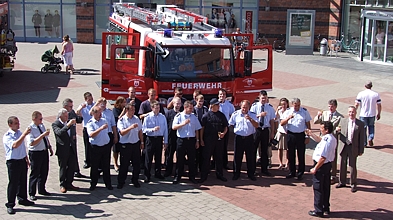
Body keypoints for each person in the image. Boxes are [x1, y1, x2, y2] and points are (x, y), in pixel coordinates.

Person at [3, 116, 35, 215]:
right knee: (13, 183)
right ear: (10, 125)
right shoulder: (7, 136)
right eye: (16, 123)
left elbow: (22, 147)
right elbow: (15, 145)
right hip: (13, 162)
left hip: (21, 160)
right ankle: (10, 204)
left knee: (22, 180)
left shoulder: (19, 133)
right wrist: (25, 134)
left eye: (18, 123)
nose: (18, 125)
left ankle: (22, 198)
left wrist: (26, 158)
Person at [306, 121, 337, 218]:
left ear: (326, 130)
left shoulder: (327, 141)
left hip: (321, 166)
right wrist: (311, 134)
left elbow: (323, 158)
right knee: (326, 187)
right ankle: (325, 207)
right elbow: (320, 139)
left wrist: (315, 168)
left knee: (318, 188)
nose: (320, 129)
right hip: (327, 165)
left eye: (322, 128)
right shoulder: (331, 138)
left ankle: (318, 210)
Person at [313, 99, 344, 184]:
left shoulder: (339, 117)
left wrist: (339, 129)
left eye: (332, 106)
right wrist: (318, 115)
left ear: (336, 107)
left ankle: (333, 175)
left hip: (332, 139)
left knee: (331, 156)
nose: (330, 108)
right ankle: (321, 169)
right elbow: (316, 121)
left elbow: (342, 127)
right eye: (329, 106)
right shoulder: (325, 113)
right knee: (321, 154)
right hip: (322, 138)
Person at [280, 98, 311, 180]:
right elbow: (282, 123)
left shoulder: (304, 111)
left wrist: (308, 136)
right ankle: (292, 171)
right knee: (291, 154)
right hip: (291, 134)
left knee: (301, 154)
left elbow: (308, 124)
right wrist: (288, 118)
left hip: (301, 135)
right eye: (295, 105)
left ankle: (300, 172)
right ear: (292, 104)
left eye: (298, 105)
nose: (297, 107)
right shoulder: (288, 111)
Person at [336, 106, 365, 193]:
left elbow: (362, 138)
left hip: (353, 147)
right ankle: (342, 182)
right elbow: (337, 132)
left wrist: (361, 150)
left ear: (355, 113)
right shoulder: (343, 121)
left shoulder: (360, 124)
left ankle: (353, 183)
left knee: (352, 166)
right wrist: (337, 131)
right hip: (344, 146)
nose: (351, 114)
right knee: (342, 165)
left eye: (352, 112)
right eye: (349, 112)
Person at [172, 101, 202, 184]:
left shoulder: (193, 117)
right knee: (180, 159)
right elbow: (174, 127)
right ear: (185, 107)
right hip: (181, 140)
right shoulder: (179, 116)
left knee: (192, 159)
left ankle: (192, 176)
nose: (192, 110)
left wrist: (197, 140)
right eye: (190, 108)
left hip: (191, 140)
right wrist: (183, 124)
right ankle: (177, 177)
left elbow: (197, 129)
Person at [229, 100, 259, 181]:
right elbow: (231, 124)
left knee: (250, 157)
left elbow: (256, 125)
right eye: (243, 107)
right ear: (240, 106)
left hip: (249, 138)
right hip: (239, 138)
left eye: (246, 107)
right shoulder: (236, 114)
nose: (244, 109)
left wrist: (250, 119)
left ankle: (251, 174)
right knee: (237, 157)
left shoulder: (252, 115)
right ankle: (236, 173)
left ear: (249, 107)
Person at [200, 98, 228, 183]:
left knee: (219, 158)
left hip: (219, 140)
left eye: (218, 105)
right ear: (211, 106)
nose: (218, 106)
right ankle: (204, 176)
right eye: (216, 105)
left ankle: (220, 174)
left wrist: (224, 133)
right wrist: (201, 139)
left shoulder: (221, 115)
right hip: (208, 140)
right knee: (206, 158)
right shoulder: (206, 116)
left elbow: (225, 126)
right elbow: (202, 128)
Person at [27, 111, 53, 201]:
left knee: (44, 171)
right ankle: (32, 192)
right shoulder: (30, 128)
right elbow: (32, 143)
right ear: (34, 119)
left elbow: (45, 138)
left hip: (43, 151)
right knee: (35, 173)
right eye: (40, 119)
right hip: (35, 153)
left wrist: (49, 146)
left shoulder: (41, 126)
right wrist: (42, 135)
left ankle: (42, 189)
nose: (42, 120)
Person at [117, 102, 144, 188]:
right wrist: (130, 127)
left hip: (135, 144)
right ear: (127, 110)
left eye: (134, 110)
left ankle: (135, 180)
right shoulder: (121, 120)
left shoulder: (136, 118)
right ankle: (121, 181)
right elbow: (122, 132)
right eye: (132, 110)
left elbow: (140, 130)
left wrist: (142, 142)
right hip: (125, 145)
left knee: (136, 164)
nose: (133, 111)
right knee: (124, 165)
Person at [52, 109, 79, 193]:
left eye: (67, 115)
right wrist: (68, 125)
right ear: (60, 116)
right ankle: (62, 184)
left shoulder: (69, 122)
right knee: (63, 167)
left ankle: (69, 183)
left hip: (71, 148)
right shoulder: (56, 124)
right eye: (65, 116)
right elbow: (59, 133)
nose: (67, 117)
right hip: (63, 149)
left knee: (71, 166)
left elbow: (72, 132)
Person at [86, 107, 112, 191]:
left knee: (106, 166)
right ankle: (93, 183)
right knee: (95, 166)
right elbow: (91, 135)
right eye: (98, 113)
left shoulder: (104, 120)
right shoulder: (90, 123)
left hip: (105, 146)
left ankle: (108, 183)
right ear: (94, 113)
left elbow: (108, 131)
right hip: (95, 148)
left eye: (101, 112)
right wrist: (100, 129)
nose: (100, 114)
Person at [250, 90, 276, 176]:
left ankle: (264, 169)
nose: (263, 100)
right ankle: (252, 169)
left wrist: (272, 132)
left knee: (264, 149)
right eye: (262, 98)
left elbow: (272, 121)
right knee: (253, 148)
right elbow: (251, 118)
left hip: (265, 129)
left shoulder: (270, 108)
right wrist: (259, 115)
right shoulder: (254, 106)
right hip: (256, 129)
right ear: (259, 97)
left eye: (265, 98)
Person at [142, 101, 168, 182]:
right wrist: (152, 129)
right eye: (156, 108)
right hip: (150, 139)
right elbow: (144, 129)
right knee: (148, 158)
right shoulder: (148, 117)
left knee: (158, 157)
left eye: (159, 108)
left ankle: (158, 173)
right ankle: (147, 175)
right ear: (152, 108)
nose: (157, 109)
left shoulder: (162, 117)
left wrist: (165, 141)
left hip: (159, 139)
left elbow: (165, 130)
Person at [63, 98, 85, 178]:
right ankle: (68, 174)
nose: (72, 108)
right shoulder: (62, 114)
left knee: (74, 154)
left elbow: (79, 120)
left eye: (72, 106)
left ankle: (76, 171)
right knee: (67, 157)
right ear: (65, 106)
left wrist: (79, 112)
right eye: (70, 106)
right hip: (66, 140)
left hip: (73, 138)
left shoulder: (72, 112)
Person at [355, 81, 382, 147]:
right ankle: (370, 137)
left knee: (363, 128)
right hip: (372, 114)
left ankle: (364, 143)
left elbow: (356, 104)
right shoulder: (376, 94)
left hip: (363, 114)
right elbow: (379, 105)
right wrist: (378, 113)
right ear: (371, 86)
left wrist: (354, 112)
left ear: (365, 86)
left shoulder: (361, 94)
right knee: (371, 126)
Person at [164, 97, 182, 177]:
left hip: (179, 137)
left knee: (179, 155)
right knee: (169, 155)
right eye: (176, 103)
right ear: (173, 104)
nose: (178, 105)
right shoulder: (168, 113)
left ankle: (178, 172)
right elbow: (165, 126)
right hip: (170, 137)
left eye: (179, 103)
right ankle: (168, 171)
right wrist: (165, 139)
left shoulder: (182, 114)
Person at [76, 92, 94, 169]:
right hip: (86, 128)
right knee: (87, 145)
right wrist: (81, 108)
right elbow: (77, 112)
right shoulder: (83, 105)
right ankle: (87, 161)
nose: (91, 100)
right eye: (89, 99)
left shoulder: (94, 104)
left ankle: (94, 160)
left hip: (94, 127)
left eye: (91, 98)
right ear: (86, 100)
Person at [218, 89, 235, 170]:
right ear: (218, 95)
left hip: (225, 127)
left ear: (225, 96)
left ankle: (225, 163)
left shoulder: (229, 105)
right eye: (220, 94)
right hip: (217, 128)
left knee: (224, 146)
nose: (222, 96)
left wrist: (230, 124)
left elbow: (233, 115)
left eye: (223, 94)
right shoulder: (215, 104)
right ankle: (215, 163)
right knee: (216, 146)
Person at [193, 94, 208, 174]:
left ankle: (202, 168)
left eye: (202, 101)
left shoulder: (205, 109)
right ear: (196, 100)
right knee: (195, 152)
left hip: (203, 131)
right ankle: (195, 169)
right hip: (195, 132)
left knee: (203, 152)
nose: (201, 103)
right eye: (199, 101)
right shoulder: (193, 109)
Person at [274, 98, 290, 170]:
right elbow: (275, 118)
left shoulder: (289, 111)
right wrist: (277, 110)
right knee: (279, 148)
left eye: (285, 104)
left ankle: (287, 163)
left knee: (287, 149)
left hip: (287, 132)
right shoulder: (279, 111)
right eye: (282, 104)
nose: (283, 105)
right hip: (280, 131)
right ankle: (280, 163)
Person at [112, 96, 126, 172]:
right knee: (116, 149)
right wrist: (123, 112)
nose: (125, 104)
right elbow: (117, 119)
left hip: (124, 131)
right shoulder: (115, 110)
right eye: (123, 102)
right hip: (117, 131)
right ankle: (115, 163)